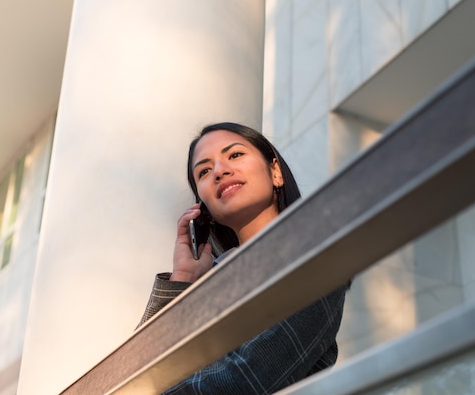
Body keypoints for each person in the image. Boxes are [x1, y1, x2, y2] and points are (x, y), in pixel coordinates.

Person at [138, 122, 349, 394]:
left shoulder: (316, 252)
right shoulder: (208, 280)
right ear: (204, 208)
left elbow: (246, 379)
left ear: (275, 172)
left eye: (235, 155)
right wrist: (183, 279)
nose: (219, 171)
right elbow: (135, 369)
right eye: (204, 171)